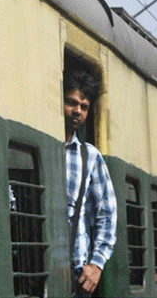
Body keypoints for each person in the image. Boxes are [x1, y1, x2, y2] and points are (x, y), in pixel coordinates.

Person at [63, 70, 117, 297]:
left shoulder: (89, 156)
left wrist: (96, 265)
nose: (77, 111)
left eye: (84, 107)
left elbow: (107, 214)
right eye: (71, 103)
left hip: (75, 277)